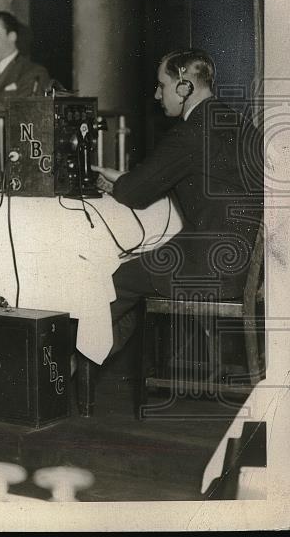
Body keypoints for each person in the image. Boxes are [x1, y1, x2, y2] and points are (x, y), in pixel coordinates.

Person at [91, 49, 263, 355]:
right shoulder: (237, 121)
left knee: (111, 281)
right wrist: (125, 177)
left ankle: (70, 363)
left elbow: (135, 195)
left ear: (184, 87)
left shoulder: (189, 132)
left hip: (211, 269)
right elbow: (199, 175)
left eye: (162, 85)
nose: (157, 95)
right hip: (245, 265)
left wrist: (124, 182)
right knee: (134, 271)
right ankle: (93, 355)